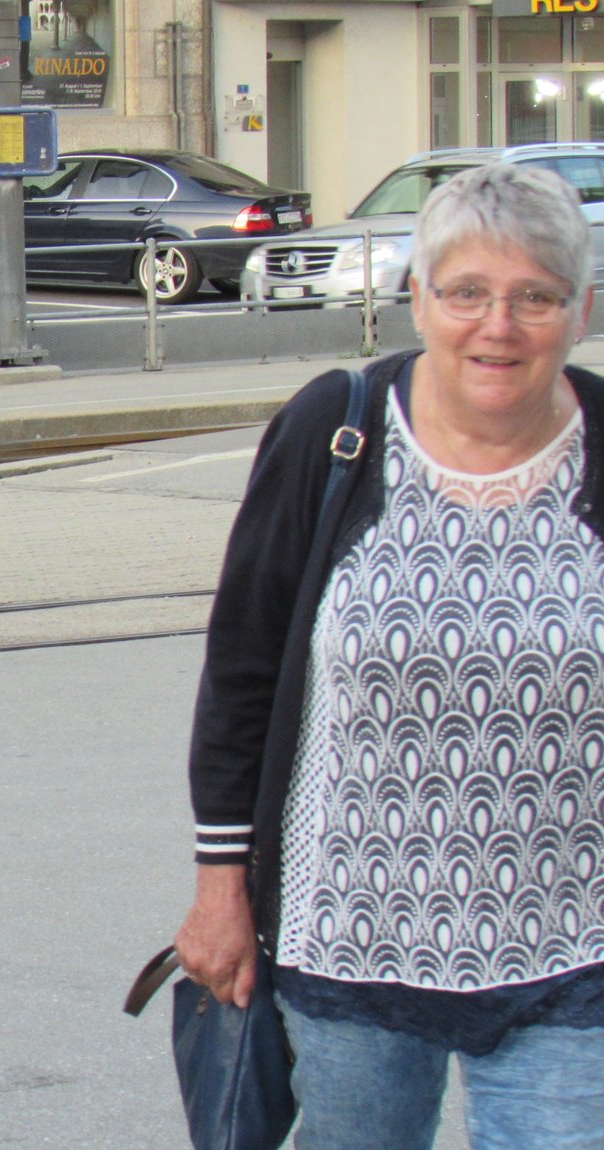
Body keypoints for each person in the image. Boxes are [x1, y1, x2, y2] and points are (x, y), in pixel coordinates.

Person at [177, 162, 604, 1149]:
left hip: (574, 940)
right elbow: (241, 672)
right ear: (417, 298)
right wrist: (218, 888)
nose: (497, 326)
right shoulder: (335, 430)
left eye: (535, 297)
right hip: (349, 936)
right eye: (466, 292)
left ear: (581, 310)